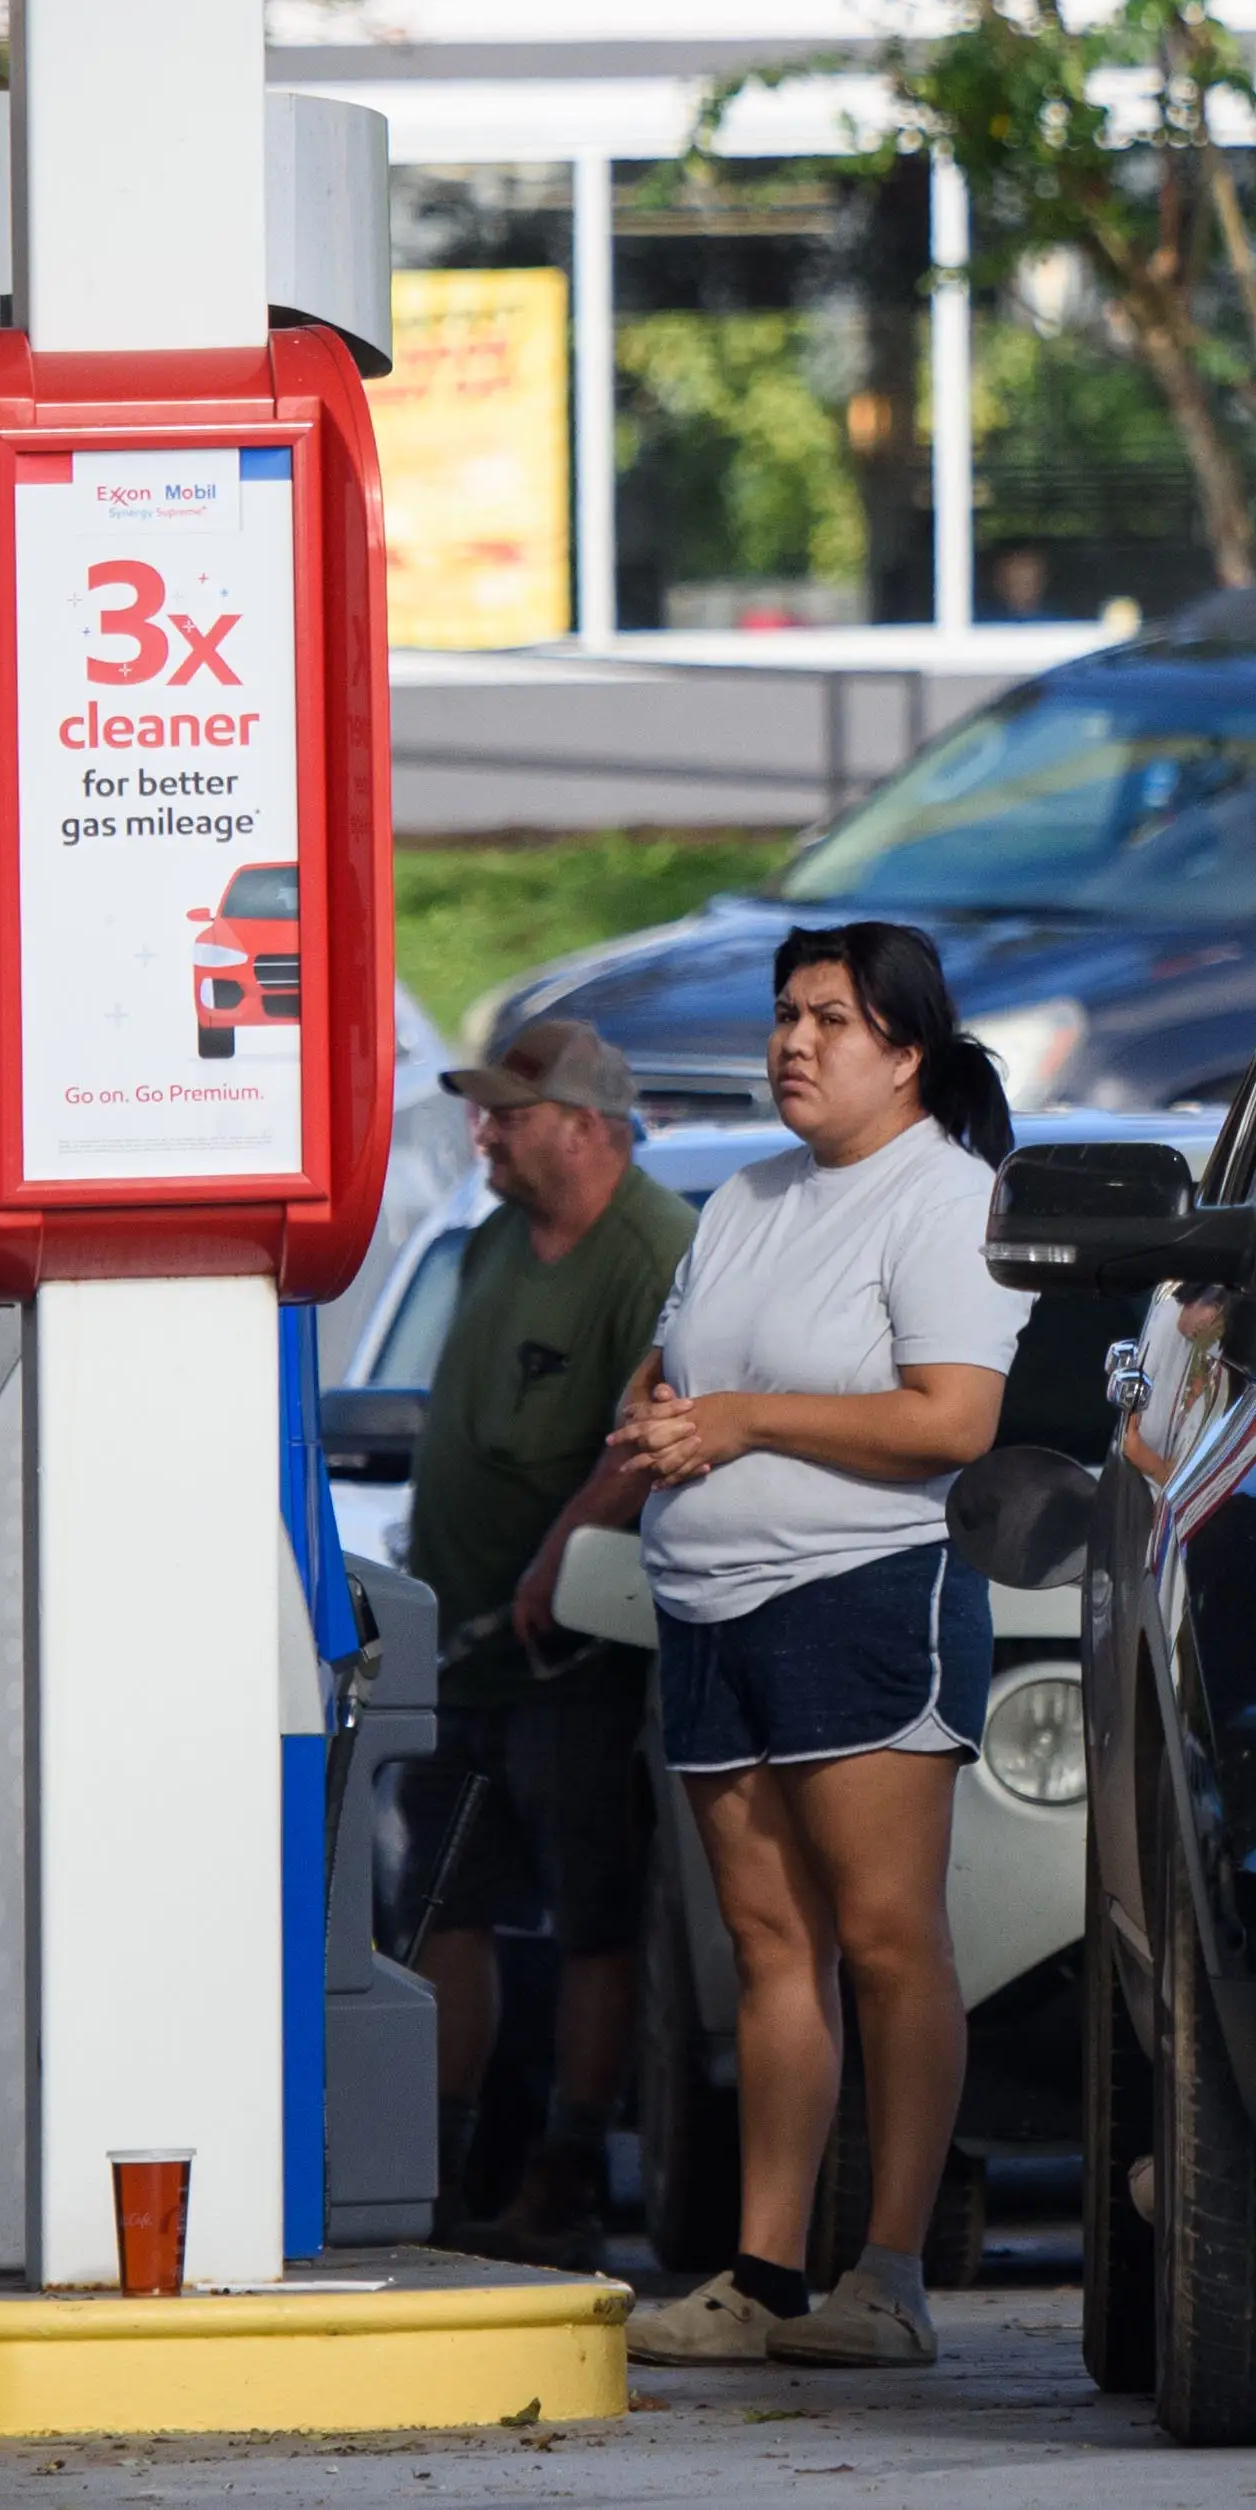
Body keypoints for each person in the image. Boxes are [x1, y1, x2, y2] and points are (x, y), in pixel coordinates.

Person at [611, 924, 1025, 2372]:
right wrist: (659, 1416)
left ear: (904, 1051)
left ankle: (889, 2269)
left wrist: (741, 1419)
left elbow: (950, 1418)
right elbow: (671, 1365)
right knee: (768, 1944)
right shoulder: (740, 1191)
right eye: (782, 1015)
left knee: (883, 1937)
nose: (791, 1041)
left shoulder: (944, 1196)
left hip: (859, 1592)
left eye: (828, 1019)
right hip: (706, 1600)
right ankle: (763, 2273)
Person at [393, 1017, 695, 2265]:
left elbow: (651, 1428)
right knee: (443, 1907)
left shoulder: (658, 1251)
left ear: (585, 1123)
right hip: (461, 1656)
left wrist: (560, 1553)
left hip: (575, 1654)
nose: (486, 1132)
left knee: (593, 1919)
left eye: (508, 1113)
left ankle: (567, 2174)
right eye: (481, 1111)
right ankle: (448, 2168)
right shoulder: (489, 1246)